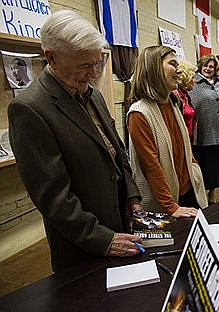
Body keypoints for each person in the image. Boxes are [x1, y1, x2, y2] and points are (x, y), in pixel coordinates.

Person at [7, 10, 143, 273]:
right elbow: (54, 199)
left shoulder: (93, 95)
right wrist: (104, 240)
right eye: (84, 66)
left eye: (97, 63)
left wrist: (132, 198)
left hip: (120, 230)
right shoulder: (29, 109)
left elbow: (117, 153)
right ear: (51, 58)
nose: (93, 74)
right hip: (83, 247)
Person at [127, 46, 207, 218]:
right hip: (166, 203)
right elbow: (151, 166)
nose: (179, 70)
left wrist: (194, 168)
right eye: (172, 63)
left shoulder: (173, 102)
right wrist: (171, 207)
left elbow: (184, 144)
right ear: (154, 67)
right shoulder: (139, 113)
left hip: (188, 191)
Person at [190, 54, 219, 204]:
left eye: (211, 67)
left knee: (215, 166)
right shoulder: (193, 83)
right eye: (206, 65)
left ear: (215, 70)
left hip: (217, 130)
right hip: (201, 131)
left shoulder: (218, 83)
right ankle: (200, 196)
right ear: (201, 66)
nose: (208, 69)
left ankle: (212, 194)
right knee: (201, 165)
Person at [173, 59, 197, 143]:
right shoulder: (176, 95)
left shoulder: (186, 95)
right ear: (186, 79)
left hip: (188, 140)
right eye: (193, 77)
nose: (195, 81)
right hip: (179, 142)